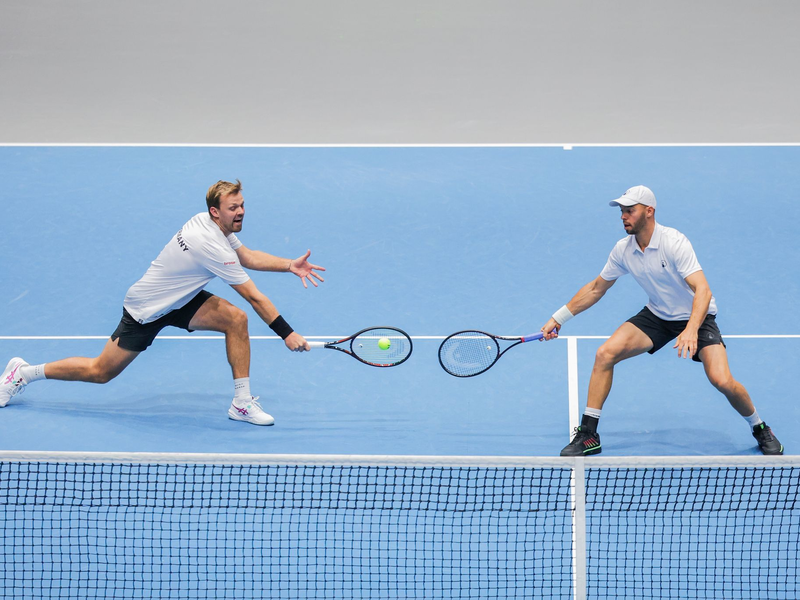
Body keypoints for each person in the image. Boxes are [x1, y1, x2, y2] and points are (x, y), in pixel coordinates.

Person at [0, 179, 325, 426]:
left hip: (181, 297)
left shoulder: (210, 222)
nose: (239, 212)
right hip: (147, 309)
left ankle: (241, 402)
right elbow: (254, 295)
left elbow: (249, 256)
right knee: (100, 372)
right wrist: (286, 333)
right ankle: (24, 373)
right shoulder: (210, 245)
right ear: (216, 212)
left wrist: (288, 265)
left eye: (241, 205)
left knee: (235, 320)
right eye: (232, 208)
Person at [540, 185, 783, 456]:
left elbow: (703, 290)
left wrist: (691, 330)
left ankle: (760, 427)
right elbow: (597, 288)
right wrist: (558, 317)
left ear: (649, 211)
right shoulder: (624, 250)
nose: (623, 216)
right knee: (605, 354)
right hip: (658, 315)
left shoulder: (673, 242)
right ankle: (589, 435)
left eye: (629, 211)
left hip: (697, 317)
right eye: (621, 211)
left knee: (722, 380)